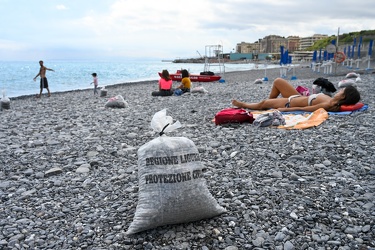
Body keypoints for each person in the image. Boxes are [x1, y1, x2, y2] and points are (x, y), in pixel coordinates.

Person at [232, 77, 360, 112]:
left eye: (342, 91)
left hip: (290, 102)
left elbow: (304, 109)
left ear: (343, 97)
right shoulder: (331, 100)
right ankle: (267, 105)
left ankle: (244, 104)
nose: (339, 91)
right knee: (278, 81)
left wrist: (284, 109)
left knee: (263, 103)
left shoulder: (327, 104)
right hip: (297, 96)